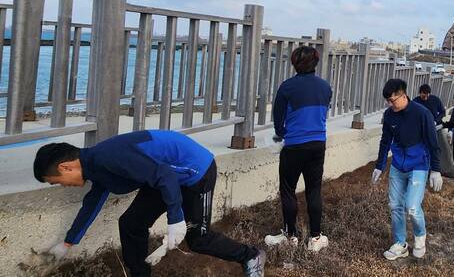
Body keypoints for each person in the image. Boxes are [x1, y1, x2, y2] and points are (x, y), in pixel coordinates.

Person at [33, 131, 265, 277]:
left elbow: (165, 175)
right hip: (163, 176)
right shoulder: (95, 165)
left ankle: (250, 256)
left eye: (57, 182)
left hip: (195, 171)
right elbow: (91, 203)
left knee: (199, 239)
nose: (63, 186)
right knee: (131, 224)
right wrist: (68, 242)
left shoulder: (108, 157)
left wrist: (176, 219)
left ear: (65, 167)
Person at [265, 46, 332, 252]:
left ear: (294, 63)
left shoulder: (287, 87)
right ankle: (315, 238)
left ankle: (290, 235)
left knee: (288, 190)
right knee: (314, 190)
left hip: (294, 145)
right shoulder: (325, 87)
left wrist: (282, 134)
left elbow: (278, 120)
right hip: (318, 144)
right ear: (316, 62)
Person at [372, 79, 442, 261]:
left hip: (418, 165)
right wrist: (379, 165)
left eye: (392, 100)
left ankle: (420, 238)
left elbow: (433, 142)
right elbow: (385, 141)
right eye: (388, 101)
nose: (390, 104)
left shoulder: (422, 113)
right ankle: (400, 243)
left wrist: (436, 169)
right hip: (397, 166)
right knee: (395, 205)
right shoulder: (389, 115)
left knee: (411, 206)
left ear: (403, 95)